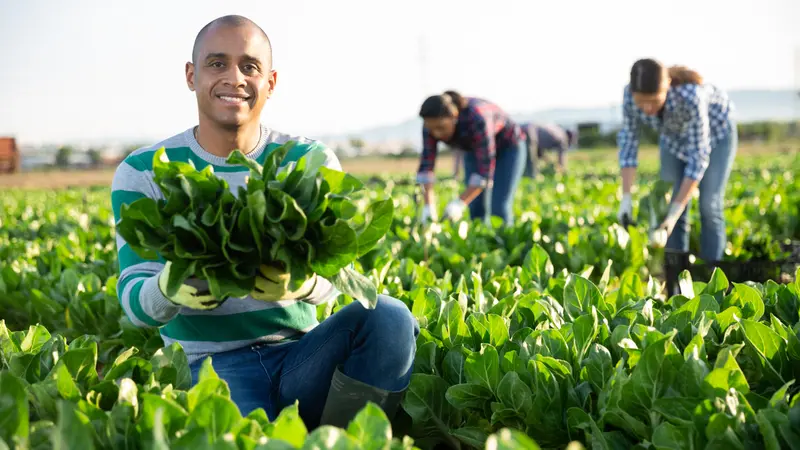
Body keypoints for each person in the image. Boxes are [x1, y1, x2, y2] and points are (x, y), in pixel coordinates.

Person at [110, 15, 419, 430]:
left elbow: (339, 273)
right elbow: (133, 299)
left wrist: (304, 284)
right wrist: (169, 288)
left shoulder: (309, 160)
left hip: (303, 356)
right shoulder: (145, 170)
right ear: (191, 75)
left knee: (390, 316)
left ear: (271, 82)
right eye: (217, 63)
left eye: (250, 66)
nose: (234, 77)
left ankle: (347, 438)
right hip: (210, 366)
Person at [616, 58, 737, 262]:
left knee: (709, 205)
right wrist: (626, 197)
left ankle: (712, 277)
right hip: (672, 139)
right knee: (669, 202)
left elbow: (698, 159)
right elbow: (629, 143)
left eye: (654, 101)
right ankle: (677, 281)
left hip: (716, 136)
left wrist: (674, 213)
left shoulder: (690, 97)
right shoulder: (629, 97)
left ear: (667, 88)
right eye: (641, 102)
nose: (646, 108)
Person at [416, 90, 527, 226]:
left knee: (498, 207)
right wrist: (428, 206)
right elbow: (426, 166)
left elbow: (484, 173)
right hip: (474, 149)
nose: (436, 134)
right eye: (431, 129)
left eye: (441, 127)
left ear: (454, 116)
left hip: (509, 147)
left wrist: (459, 203)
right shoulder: (430, 126)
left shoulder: (477, 118)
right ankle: (483, 243)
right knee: (475, 207)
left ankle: (503, 243)